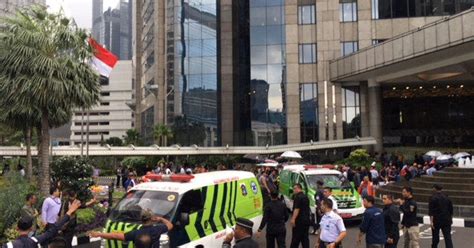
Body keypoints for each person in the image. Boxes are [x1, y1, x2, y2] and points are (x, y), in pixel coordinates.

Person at [4, 200, 81, 248]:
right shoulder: (35, 241)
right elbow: (54, 229)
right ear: (31, 228)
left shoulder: (8, 246)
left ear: (17, 228)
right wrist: (69, 212)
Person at [90, 209, 173, 248]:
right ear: (151, 219)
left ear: (141, 219)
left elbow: (114, 236)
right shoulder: (157, 229)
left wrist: (99, 234)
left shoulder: (135, 233)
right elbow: (170, 225)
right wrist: (161, 219)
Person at [290, 183, 310, 248]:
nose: (293, 190)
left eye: (294, 188)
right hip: (306, 221)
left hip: (299, 221)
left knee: (295, 239)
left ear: (298, 188)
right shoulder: (305, 196)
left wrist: (293, 219)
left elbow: (297, 209)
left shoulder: (298, 197)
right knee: (305, 239)